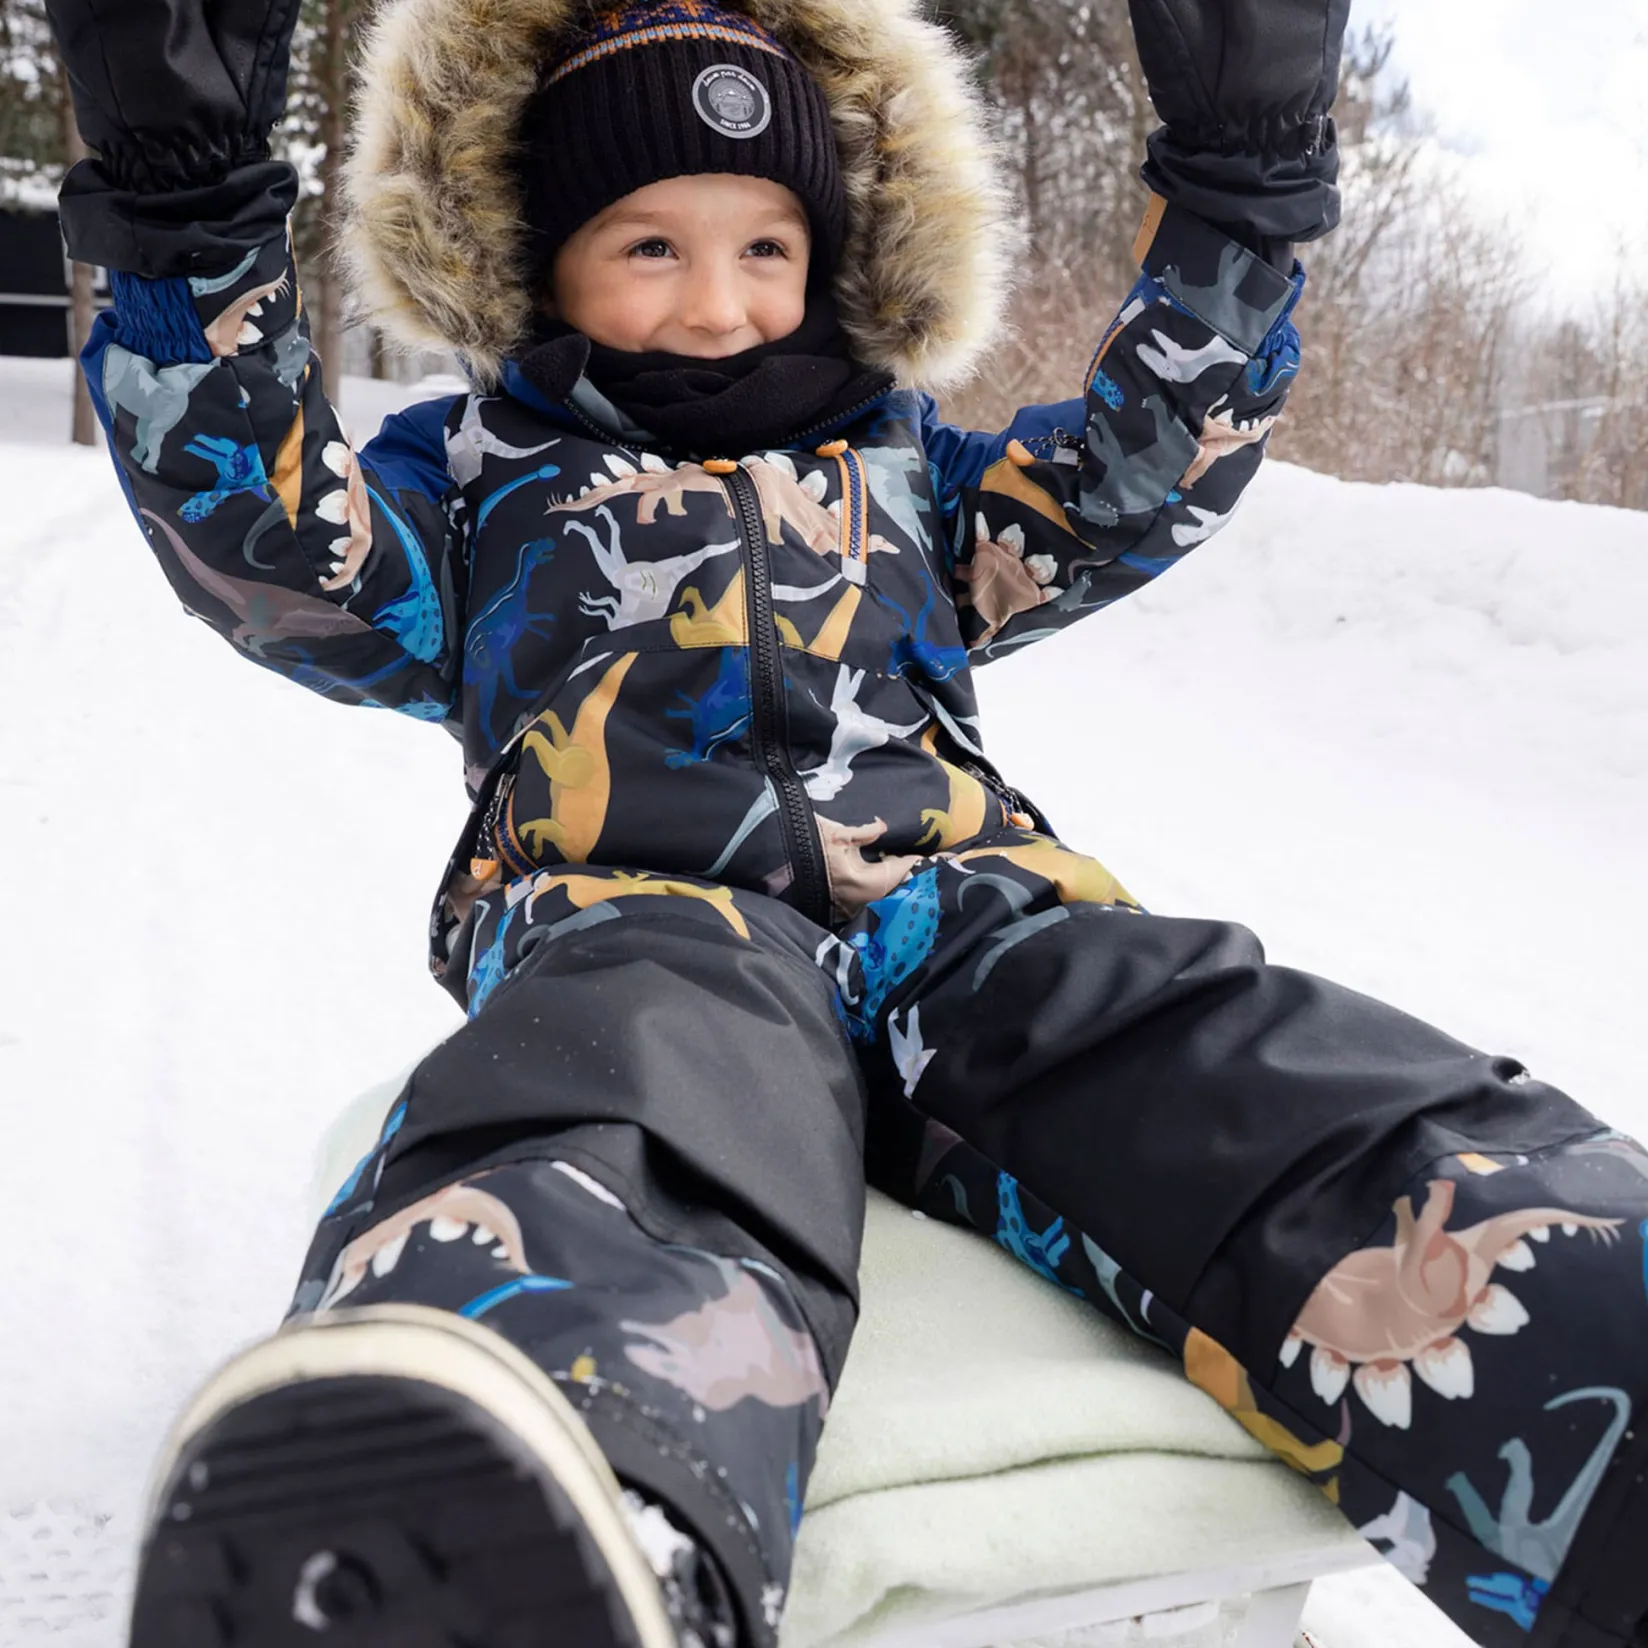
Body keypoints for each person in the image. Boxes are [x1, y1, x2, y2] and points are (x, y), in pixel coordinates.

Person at [47, 1, 1648, 1644]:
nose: (718, 301)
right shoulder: (468, 480)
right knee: (632, 1103)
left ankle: (1586, 1306)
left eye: (767, 246)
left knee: (1209, 1052)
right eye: (650, 246)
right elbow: (265, 534)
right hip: (645, 918)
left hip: (965, 920)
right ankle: (539, 1485)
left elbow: (1143, 469)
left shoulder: (908, 465)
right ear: (539, 258)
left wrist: (1243, 192)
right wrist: (184, 207)